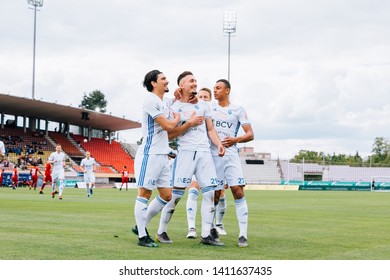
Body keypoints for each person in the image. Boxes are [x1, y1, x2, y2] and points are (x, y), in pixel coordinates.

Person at [157, 71, 225, 246]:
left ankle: (206, 235)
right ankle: (161, 231)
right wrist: (189, 124)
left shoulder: (204, 105)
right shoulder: (174, 107)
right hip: (186, 152)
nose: (195, 83)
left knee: (209, 193)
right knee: (176, 195)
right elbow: (170, 135)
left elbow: (210, 130)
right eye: (191, 81)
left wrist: (218, 144)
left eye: (196, 80)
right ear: (182, 85)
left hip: (204, 153)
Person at [132, 69, 187, 247]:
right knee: (144, 193)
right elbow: (168, 126)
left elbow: (172, 102)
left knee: (166, 195)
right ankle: (142, 236)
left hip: (162, 155)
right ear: (153, 83)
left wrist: (178, 96)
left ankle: (140, 225)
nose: (167, 81)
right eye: (163, 78)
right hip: (150, 154)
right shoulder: (150, 100)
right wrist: (179, 118)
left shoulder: (162, 102)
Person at [210, 79, 254, 247]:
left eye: (218, 88)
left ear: (227, 90)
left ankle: (243, 235)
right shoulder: (210, 108)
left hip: (231, 155)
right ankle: (211, 228)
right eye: (214, 88)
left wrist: (235, 139)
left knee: (237, 191)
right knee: (214, 193)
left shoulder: (238, 110)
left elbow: (250, 134)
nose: (215, 91)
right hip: (213, 155)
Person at [185, 87, 217, 238]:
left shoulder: (214, 116)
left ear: (210, 100)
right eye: (201, 96)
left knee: (214, 194)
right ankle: (191, 228)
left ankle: (212, 226)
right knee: (193, 189)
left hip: (212, 158)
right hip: (195, 155)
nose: (203, 99)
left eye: (206, 97)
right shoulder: (193, 113)